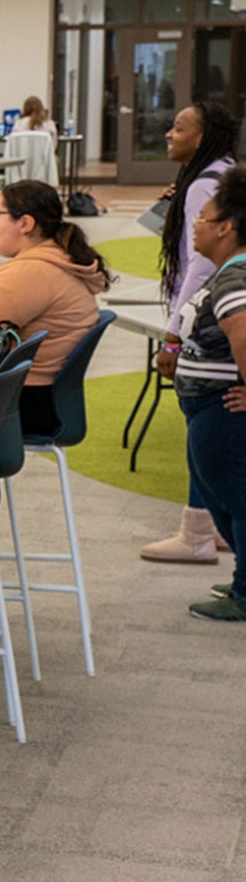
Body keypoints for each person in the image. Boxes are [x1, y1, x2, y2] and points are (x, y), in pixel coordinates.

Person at [145, 100, 241, 563]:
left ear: (201, 138)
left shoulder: (206, 182)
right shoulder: (214, 175)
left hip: (207, 320)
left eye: (180, 127)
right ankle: (215, 525)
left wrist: (172, 334)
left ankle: (198, 532)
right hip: (218, 313)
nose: (169, 133)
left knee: (203, 417)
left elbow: (200, 265)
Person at [172, 166, 246, 620]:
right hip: (208, 409)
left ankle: (245, 591)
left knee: (236, 497)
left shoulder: (235, 280)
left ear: (227, 227)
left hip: (222, 410)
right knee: (223, 496)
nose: (194, 224)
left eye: (203, 217)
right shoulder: (230, 272)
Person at [0, 180, 110, 436]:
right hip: (44, 397)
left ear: (25, 223)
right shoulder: (56, 259)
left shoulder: (31, 273)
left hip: (24, 402)